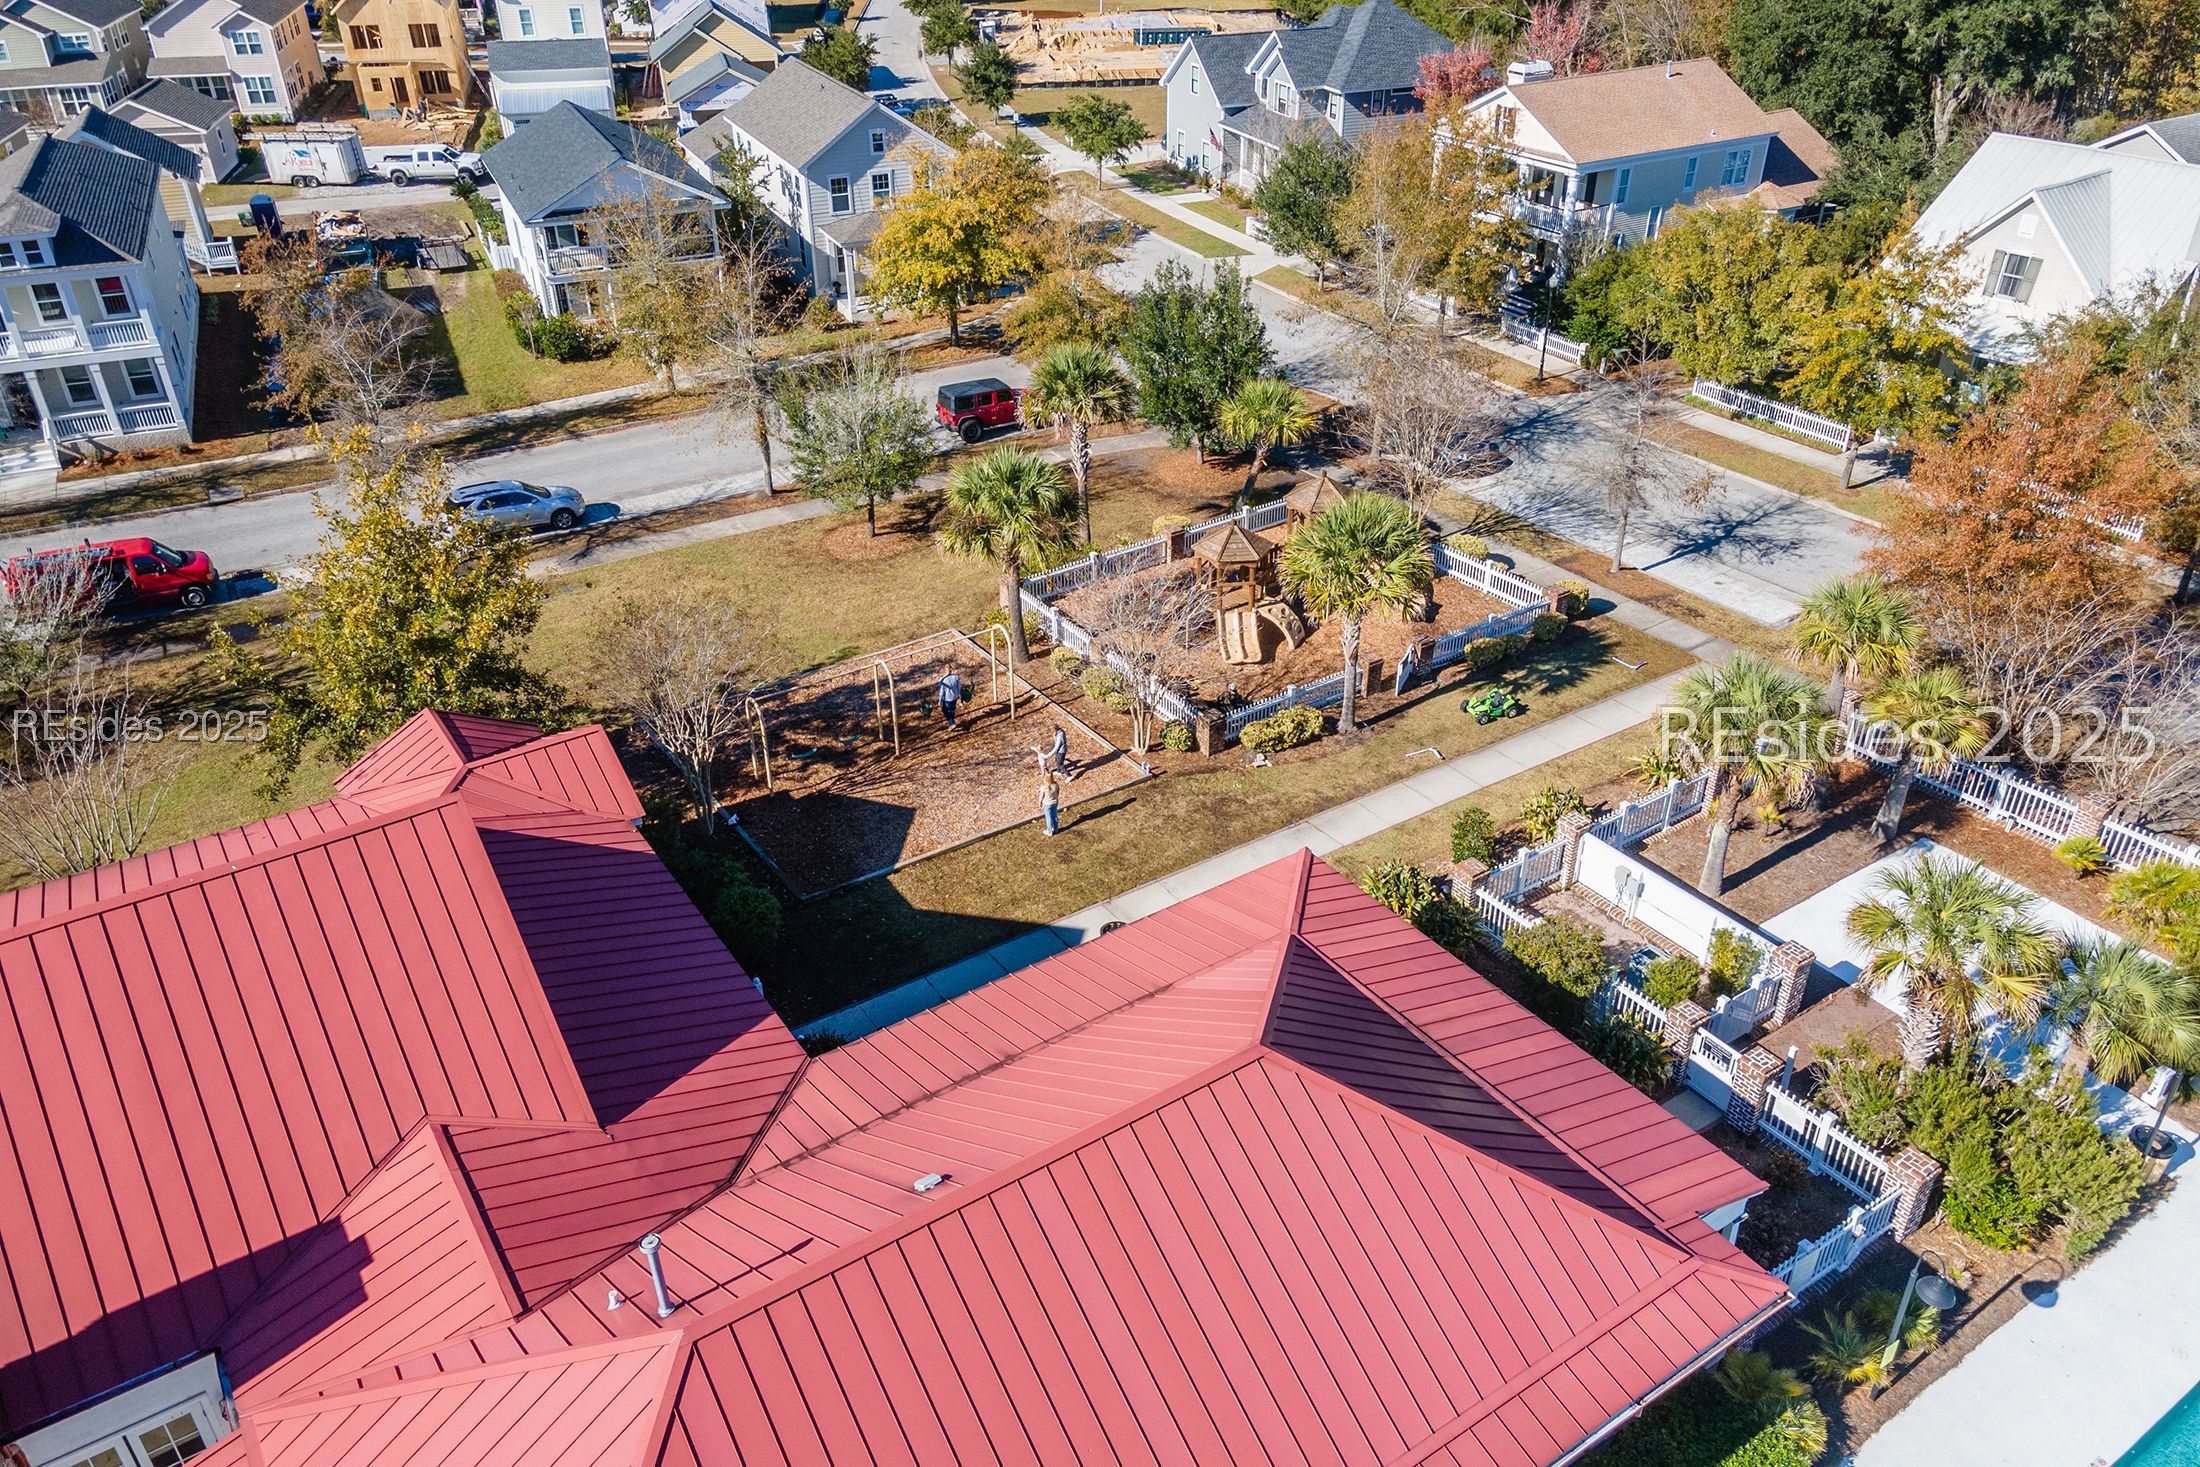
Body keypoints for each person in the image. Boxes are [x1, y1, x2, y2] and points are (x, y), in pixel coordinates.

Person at [1039, 767, 1061, 836]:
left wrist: (1039, 802)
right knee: (1054, 816)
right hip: (1054, 802)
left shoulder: (1044, 787)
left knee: (1048, 817)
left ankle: (1049, 831)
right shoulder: (1055, 784)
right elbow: (1057, 792)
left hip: (1047, 804)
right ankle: (1056, 829)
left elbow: (1041, 796)